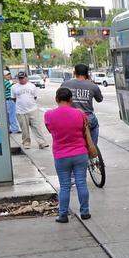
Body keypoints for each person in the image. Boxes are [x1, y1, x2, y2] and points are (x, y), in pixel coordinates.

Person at [44, 87, 93, 223]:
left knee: (65, 186)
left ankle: (63, 215)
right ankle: (85, 212)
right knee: (81, 183)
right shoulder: (80, 114)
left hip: (61, 155)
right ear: (71, 99)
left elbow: (50, 130)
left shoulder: (49, 115)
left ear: (56, 99)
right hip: (80, 153)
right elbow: (84, 129)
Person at [61, 63, 104, 143]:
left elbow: (60, 99)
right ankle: (92, 146)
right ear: (87, 74)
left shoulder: (65, 84)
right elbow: (99, 99)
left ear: (74, 73)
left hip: (70, 117)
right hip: (87, 118)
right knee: (94, 126)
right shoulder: (93, 86)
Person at [13, 70, 49, 149]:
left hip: (33, 110)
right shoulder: (14, 87)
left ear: (26, 77)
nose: (21, 80)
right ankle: (26, 143)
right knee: (24, 129)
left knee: (36, 127)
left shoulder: (32, 86)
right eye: (20, 78)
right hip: (21, 111)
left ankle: (42, 143)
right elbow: (13, 98)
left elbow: (35, 97)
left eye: (23, 78)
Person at [3, 68, 20, 134]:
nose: (9, 76)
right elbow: (13, 88)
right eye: (7, 75)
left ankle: (9, 128)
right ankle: (15, 129)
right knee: (12, 115)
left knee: (8, 115)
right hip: (9, 100)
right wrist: (15, 84)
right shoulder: (6, 82)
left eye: (9, 74)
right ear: (4, 76)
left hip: (6, 101)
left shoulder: (4, 82)